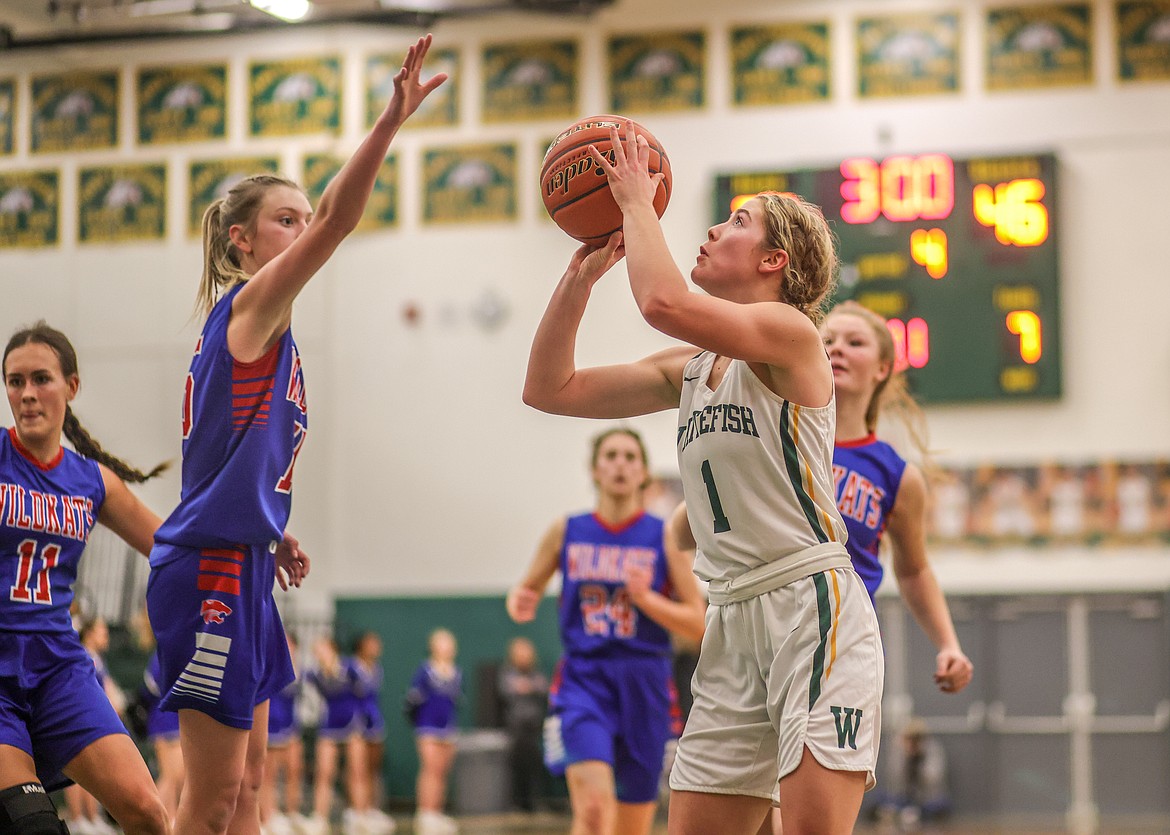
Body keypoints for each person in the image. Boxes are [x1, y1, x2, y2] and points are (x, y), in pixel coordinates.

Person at [522, 122, 883, 835]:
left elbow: (663, 302)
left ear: (775, 259)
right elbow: (549, 387)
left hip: (810, 606)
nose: (714, 228)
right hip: (731, 618)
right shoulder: (690, 368)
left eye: (738, 221)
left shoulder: (792, 335)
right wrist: (577, 278)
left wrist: (635, 205)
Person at [143, 35, 447, 835]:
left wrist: (269, 530)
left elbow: (227, 451)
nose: (304, 228)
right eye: (286, 218)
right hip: (208, 564)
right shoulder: (250, 305)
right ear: (243, 239)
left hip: (239, 554)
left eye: (303, 217)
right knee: (207, 802)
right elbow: (344, 219)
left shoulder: (263, 328)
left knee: (250, 787)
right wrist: (388, 122)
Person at [736, 299, 976, 835]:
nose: (836, 347)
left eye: (855, 341)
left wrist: (949, 642)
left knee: (798, 818)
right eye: (828, 339)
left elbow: (913, 570)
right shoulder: (779, 433)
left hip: (839, 644)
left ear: (884, 367)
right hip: (763, 631)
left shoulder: (895, 473)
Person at [0, 322, 170, 835]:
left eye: (41, 379)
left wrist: (260, 544)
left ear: (71, 386)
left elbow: (174, 547)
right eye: (14, 381)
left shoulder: (93, 481)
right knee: (32, 826)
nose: (27, 393)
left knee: (147, 811)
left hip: (58, 670)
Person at [506, 428, 705, 835]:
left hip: (645, 681)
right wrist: (518, 600)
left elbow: (698, 624)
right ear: (595, 470)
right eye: (611, 455)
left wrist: (647, 600)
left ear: (644, 473)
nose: (621, 464)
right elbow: (526, 588)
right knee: (595, 812)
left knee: (632, 825)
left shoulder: (664, 537)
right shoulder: (567, 530)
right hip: (584, 680)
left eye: (631, 457)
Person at [302, 636, 376, 835]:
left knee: (356, 772)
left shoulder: (350, 669)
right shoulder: (315, 674)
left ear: (333, 649)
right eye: (317, 651)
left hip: (352, 725)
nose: (320, 654)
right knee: (324, 772)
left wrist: (364, 722)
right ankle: (319, 818)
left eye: (324, 649)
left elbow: (365, 694)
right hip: (329, 726)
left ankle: (359, 816)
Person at [65, 617, 126, 835]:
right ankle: (77, 818)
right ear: (89, 633)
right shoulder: (83, 657)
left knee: (92, 773)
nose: (106, 635)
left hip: (93, 721)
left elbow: (109, 691)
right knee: (77, 774)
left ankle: (91, 817)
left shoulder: (98, 659)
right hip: (78, 718)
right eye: (102, 631)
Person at [403, 628, 463, 835]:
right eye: (443, 643)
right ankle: (425, 813)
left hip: (448, 728)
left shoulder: (456, 673)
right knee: (430, 770)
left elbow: (454, 702)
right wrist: (419, 723)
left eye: (450, 643)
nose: (448, 648)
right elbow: (412, 700)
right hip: (427, 728)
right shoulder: (425, 671)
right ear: (434, 647)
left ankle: (437, 812)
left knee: (442, 772)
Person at [260, 631, 306, 835]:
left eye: (291, 643)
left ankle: (292, 813)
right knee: (268, 775)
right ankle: (269, 815)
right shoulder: (268, 667)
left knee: (294, 770)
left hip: (291, 726)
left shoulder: (301, 670)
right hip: (271, 727)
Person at [496, 637, 549, 813]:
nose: (523, 656)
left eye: (526, 652)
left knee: (534, 767)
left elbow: (543, 687)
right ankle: (516, 804)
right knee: (516, 767)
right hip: (515, 730)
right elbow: (506, 690)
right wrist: (525, 687)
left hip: (534, 730)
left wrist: (529, 686)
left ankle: (533, 803)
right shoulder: (506, 673)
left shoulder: (536, 673)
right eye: (520, 652)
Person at [351, 631, 396, 835]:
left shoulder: (377, 669)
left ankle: (370, 809)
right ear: (361, 645)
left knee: (373, 769)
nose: (377, 646)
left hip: (374, 723)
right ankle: (357, 812)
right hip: (355, 724)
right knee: (357, 769)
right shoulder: (351, 667)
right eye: (372, 643)